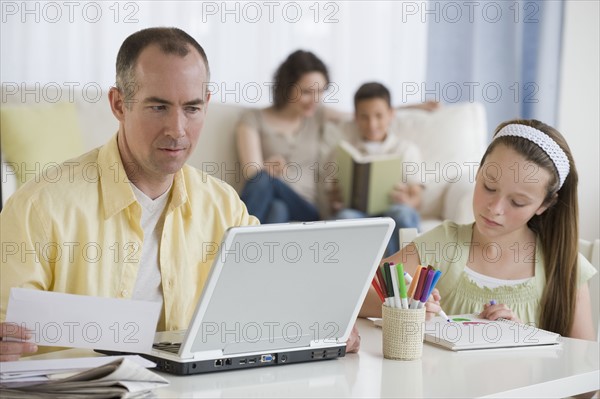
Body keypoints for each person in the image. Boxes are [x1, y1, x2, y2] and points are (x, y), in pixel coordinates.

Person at [0, 28, 362, 361]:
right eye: (158, 107)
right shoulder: (39, 207)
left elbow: (279, 294)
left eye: (192, 108)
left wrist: (328, 320)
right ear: (118, 105)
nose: (177, 130)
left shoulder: (223, 207)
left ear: (206, 102)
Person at [360, 119, 597, 341]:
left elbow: (583, 379)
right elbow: (354, 294)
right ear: (478, 170)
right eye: (489, 186)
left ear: (544, 205)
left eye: (517, 202)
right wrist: (403, 304)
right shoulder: (443, 244)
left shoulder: (566, 268)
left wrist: (524, 340)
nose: (495, 208)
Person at [236, 50, 345, 224]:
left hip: (306, 209)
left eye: (321, 91)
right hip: (271, 199)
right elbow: (252, 172)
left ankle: (234, 240)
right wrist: (267, 167)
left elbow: (363, 115)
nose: (315, 100)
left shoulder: (318, 115)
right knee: (278, 208)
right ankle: (248, 246)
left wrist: (400, 109)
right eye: (307, 92)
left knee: (265, 180)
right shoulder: (253, 118)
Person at [331, 82, 423, 256]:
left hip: (393, 210)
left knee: (403, 213)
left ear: (391, 114)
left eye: (379, 116)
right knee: (344, 217)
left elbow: (417, 199)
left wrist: (407, 200)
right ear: (355, 117)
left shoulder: (406, 150)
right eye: (364, 117)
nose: (372, 124)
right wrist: (336, 201)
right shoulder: (344, 151)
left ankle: (400, 272)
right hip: (358, 214)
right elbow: (333, 198)